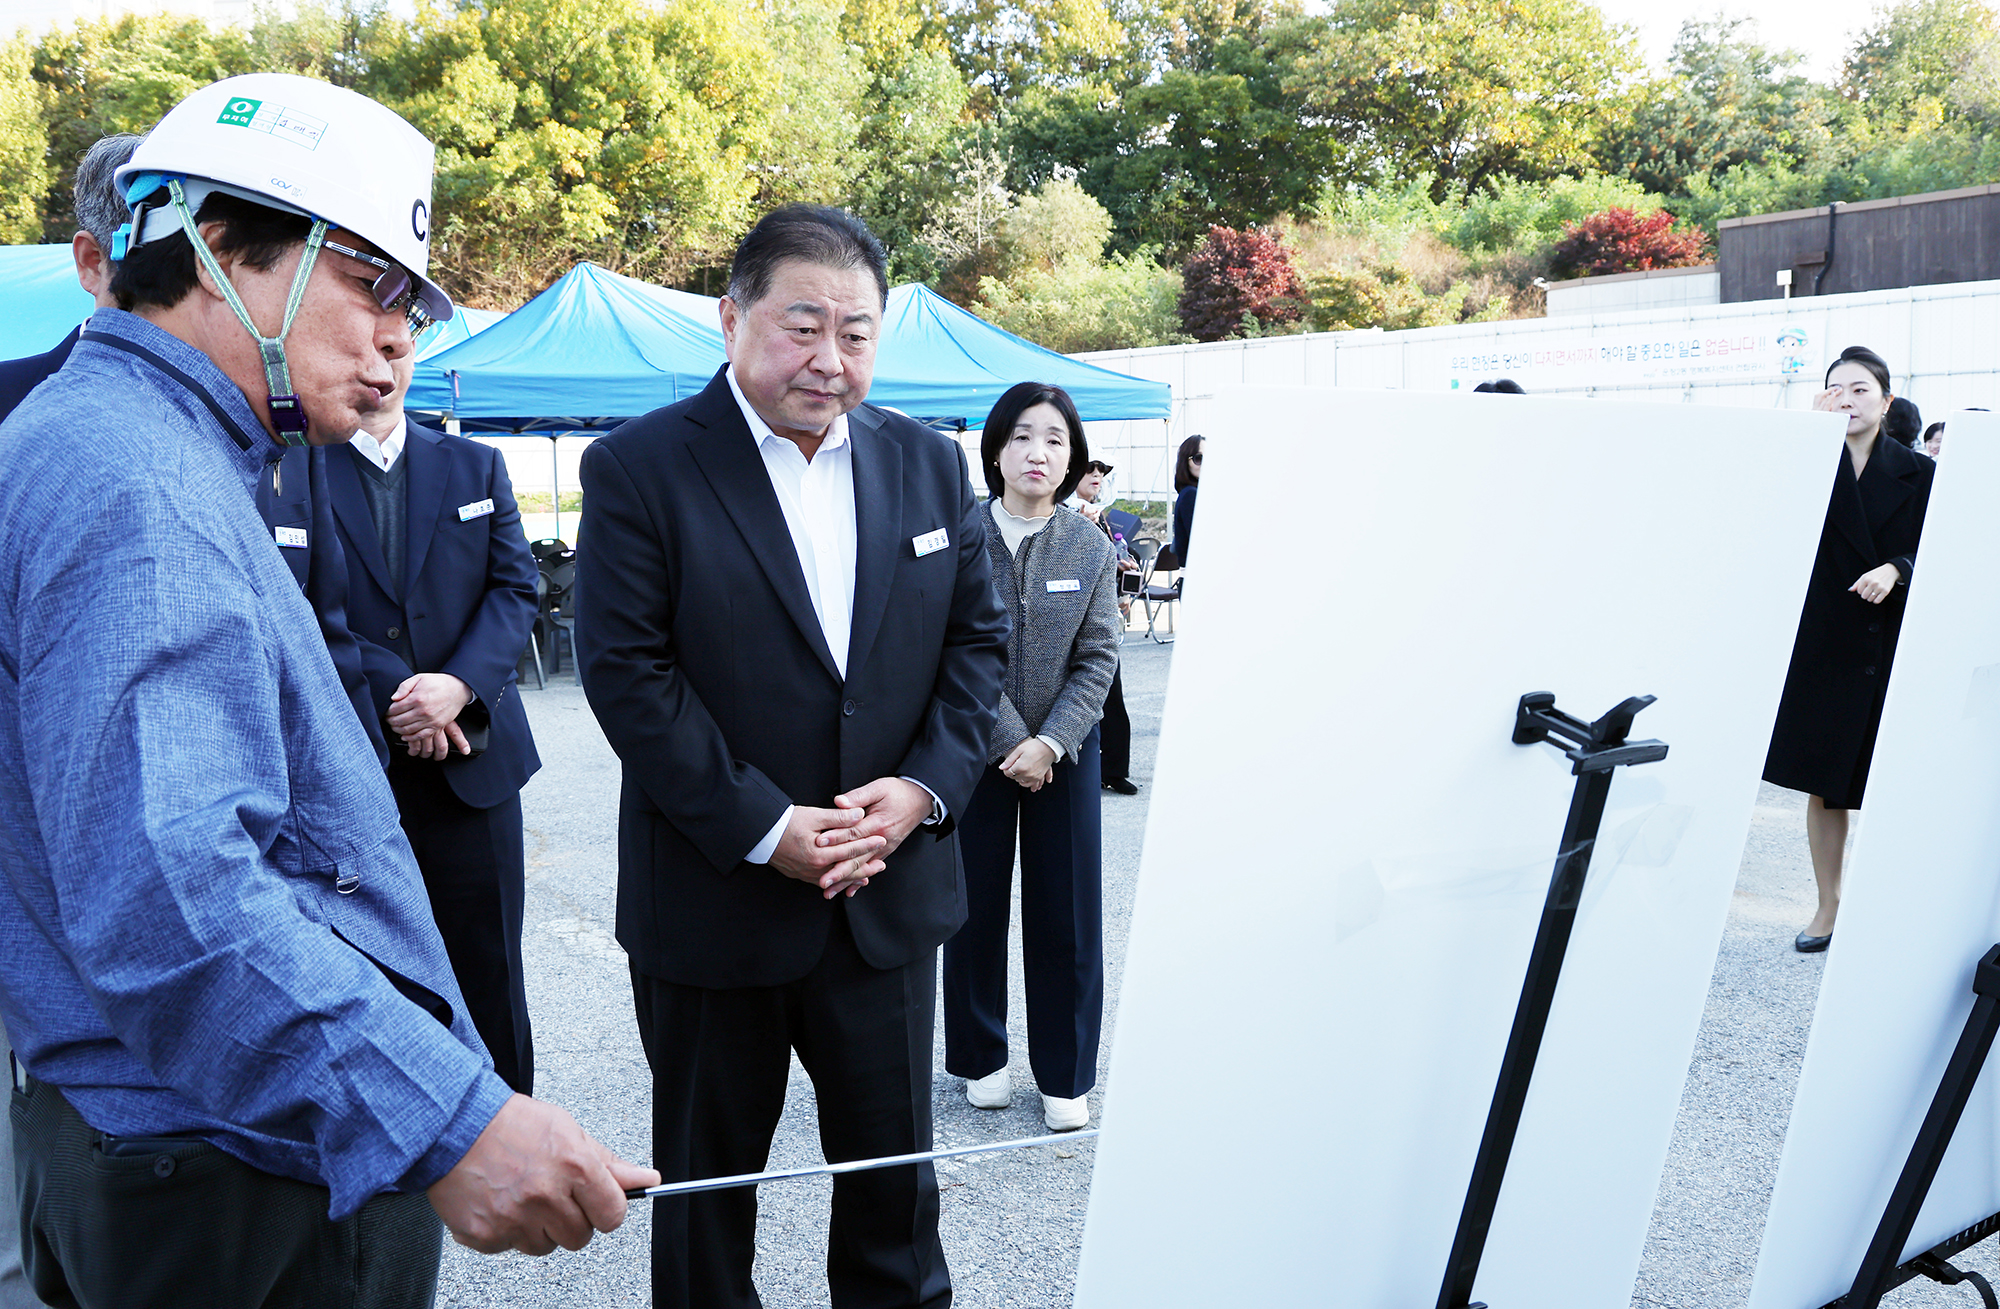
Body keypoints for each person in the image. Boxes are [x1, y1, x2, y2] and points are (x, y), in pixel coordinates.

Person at [0, 73, 653, 1309]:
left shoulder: (142, 444)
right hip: (224, 1176)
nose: (401, 334)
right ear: (212, 249)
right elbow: (172, 900)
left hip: (200, 1146)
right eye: (371, 282)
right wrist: (446, 1116)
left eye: (407, 299)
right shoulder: (136, 484)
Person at [575, 204, 1009, 1309]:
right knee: (708, 1198)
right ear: (731, 319)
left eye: (855, 332)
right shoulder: (640, 469)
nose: (829, 359)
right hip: (718, 900)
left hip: (885, 895)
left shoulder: (927, 463)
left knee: (892, 1189)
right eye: (801, 325)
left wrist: (919, 792)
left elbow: (976, 644)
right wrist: (768, 828)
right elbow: (629, 675)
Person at [324, 349, 542, 1094]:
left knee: (491, 970)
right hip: (359, 765)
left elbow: (517, 587)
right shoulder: (296, 470)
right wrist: (404, 697)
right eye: (364, 349)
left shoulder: (477, 464)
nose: (380, 366)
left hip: (475, 763)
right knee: (373, 971)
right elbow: (300, 603)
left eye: (396, 351)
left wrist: (458, 685)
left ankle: (513, 1136)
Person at [942, 383, 1119, 1132]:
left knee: (1067, 913)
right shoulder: (958, 537)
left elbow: (1100, 652)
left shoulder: (1089, 544)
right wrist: (1010, 739)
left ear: (1072, 453)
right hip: (975, 751)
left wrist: (1050, 740)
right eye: (1020, 436)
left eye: (1053, 438)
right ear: (995, 450)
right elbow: (950, 650)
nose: (1037, 451)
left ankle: (1066, 1070)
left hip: (1066, 753)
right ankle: (981, 1057)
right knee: (971, 906)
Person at [1763, 345, 1934, 953]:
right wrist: (1811, 439)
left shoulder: (1922, 473)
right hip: (1826, 641)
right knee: (1826, 782)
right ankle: (1828, 904)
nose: (1848, 399)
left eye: (1861, 389)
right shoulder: (1807, 460)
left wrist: (1897, 568)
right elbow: (1776, 525)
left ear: (1886, 402)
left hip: (1892, 644)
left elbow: (1948, 548)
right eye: (1836, 388)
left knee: (1896, 782)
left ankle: (1889, 906)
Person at [1072, 458, 1139, 795]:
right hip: (1078, 623)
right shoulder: (1070, 516)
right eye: (1090, 471)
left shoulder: (1100, 516)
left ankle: (1113, 767)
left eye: (1102, 473)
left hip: (1104, 619)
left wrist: (1120, 563)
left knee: (1112, 699)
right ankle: (1106, 767)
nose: (1097, 478)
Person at [1171, 432, 1203, 569]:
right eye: (1199, 458)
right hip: (1196, 576)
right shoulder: (1190, 494)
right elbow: (1201, 541)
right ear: (1186, 462)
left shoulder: (1194, 493)